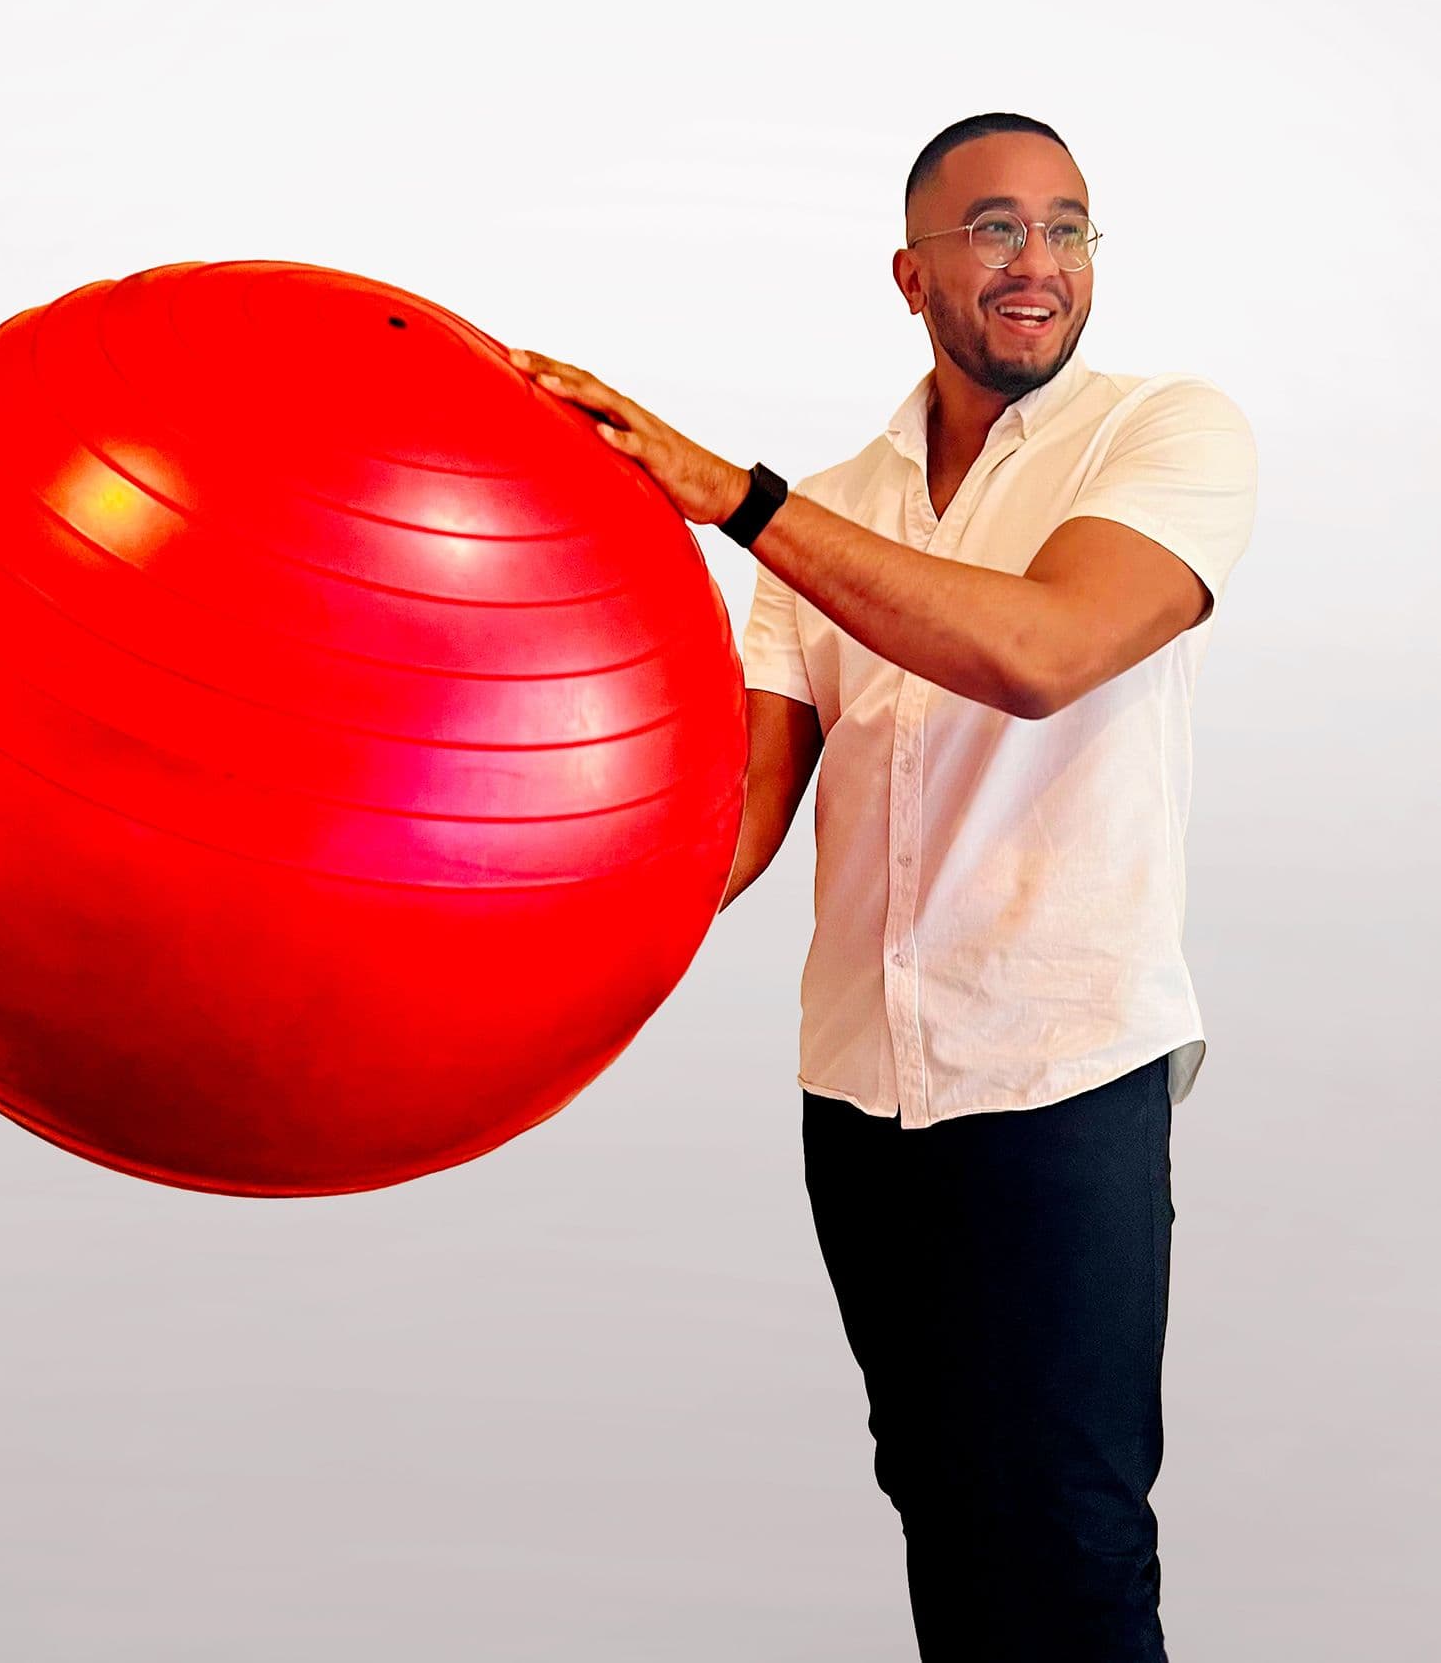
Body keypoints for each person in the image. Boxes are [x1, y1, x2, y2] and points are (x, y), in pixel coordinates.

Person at [506, 110, 1256, 1661]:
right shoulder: (839, 506)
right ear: (910, 272)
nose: (1036, 263)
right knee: (940, 1502)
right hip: (861, 1099)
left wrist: (740, 502)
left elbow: (1042, 653)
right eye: (994, 229)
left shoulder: (1167, 433)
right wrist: (482, 929)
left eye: (1067, 228)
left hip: (1060, 1077)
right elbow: (731, 826)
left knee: (1072, 1530)